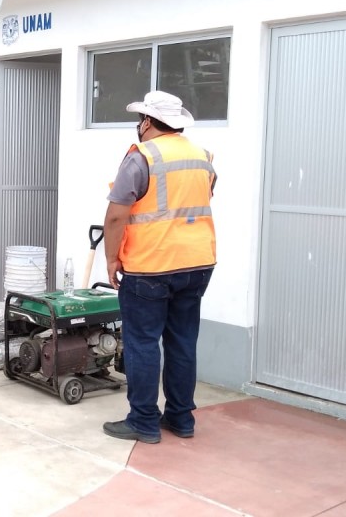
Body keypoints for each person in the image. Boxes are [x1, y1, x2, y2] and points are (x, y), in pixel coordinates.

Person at [101, 90, 216, 444]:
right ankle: (181, 419)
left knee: (143, 343)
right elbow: (204, 196)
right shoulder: (203, 156)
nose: (139, 126)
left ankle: (144, 421)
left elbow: (118, 213)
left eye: (140, 120)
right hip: (198, 263)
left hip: (151, 265)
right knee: (182, 342)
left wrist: (111, 257)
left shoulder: (141, 157)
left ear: (148, 122)